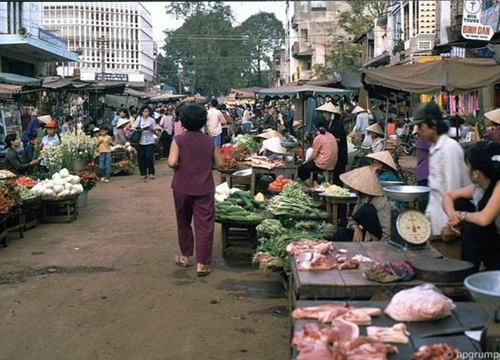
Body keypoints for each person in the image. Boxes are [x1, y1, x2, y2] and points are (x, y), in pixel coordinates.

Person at [167, 103, 224, 277]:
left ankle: (185, 256)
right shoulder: (209, 141)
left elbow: (171, 162)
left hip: (182, 187)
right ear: (202, 121)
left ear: (183, 120)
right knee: (205, 225)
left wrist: (181, 165)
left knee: (183, 222)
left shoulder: (178, 139)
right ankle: (202, 264)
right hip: (204, 188)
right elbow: (221, 163)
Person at [408, 102, 470, 239]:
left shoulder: (449, 149)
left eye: (420, 126)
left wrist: (450, 224)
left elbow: (452, 189)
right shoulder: (434, 149)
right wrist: (427, 219)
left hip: (449, 226)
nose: (417, 130)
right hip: (436, 223)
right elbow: (435, 192)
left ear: (434, 124)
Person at [442, 141, 500, 271]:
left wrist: (461, 216)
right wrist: (452, 216)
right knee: (460, 203)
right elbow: (449, 196)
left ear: (476, 173)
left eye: (468, 166)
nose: (466, 170)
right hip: (495, 240)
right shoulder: (479, 187)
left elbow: (484, 219)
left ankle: (468, 276)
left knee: (473, 231)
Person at [332, 166, 391, 242]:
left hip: (379, 238)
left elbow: (387, 233)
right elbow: (352, 219)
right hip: (365, 232)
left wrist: (377, 247)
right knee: (340, 233)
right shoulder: (362, 197)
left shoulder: (381, 202)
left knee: (367, 210)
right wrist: (356, 228)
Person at [315, 102, 347, 186]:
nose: (324, 115)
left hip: (340, 153)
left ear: (330, 114)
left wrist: (332, 140)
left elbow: (341, 137)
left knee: (338, 175)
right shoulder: (327, 124)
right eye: (323, 113)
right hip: (332, 153)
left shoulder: (338, 123)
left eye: (325, 113)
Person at [298, 120, 338, 186]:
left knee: (301, 169)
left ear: (315, 127)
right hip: (332, 163)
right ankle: (315, 183)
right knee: (311, 166)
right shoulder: (331, 135)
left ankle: (311, 186)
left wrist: (306, 161)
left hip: (323, 163)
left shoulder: (319, 137)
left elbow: (313, 156)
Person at [133, 105, 156, 179]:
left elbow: (154, 130)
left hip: (149, 141)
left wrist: (150, 129)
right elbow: (134, 127)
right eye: (144, 112)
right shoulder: (139, 119)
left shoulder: (151, 120)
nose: (145, 113)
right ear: (141, 112)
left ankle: (151, 172)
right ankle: (143, 173)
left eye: (147, 111)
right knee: (141, 157)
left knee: (149, 157)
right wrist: (136, 129)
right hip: (140, 140)